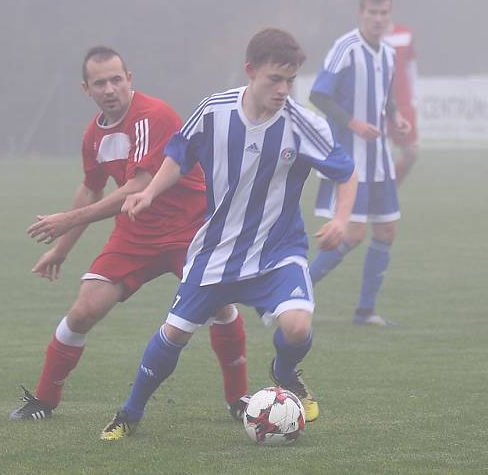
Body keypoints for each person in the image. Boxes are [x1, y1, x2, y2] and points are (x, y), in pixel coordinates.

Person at [99, 28, 357, 441]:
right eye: (275, 78)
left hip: (277, 251)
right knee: (174, 334)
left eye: (291, 80)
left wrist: (342, 218)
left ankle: (285, 372)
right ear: (250, 71)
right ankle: (129, 413)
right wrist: (148, 191)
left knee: (296, 327)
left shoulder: (303, 125)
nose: (284, 89)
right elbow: (179, 155)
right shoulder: (214, 110)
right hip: (216, 251)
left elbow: (346, 172)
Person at [9, 46, 249, 421]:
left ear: (130, 79)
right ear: (85, 88)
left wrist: (68, 220)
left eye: (116, 80)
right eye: (100, 82)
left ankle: (239, 399)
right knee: (84, 310)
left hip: (191, 229)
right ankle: (44, 400)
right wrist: (61, 249)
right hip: (136, 233)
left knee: (219, 304)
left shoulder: (152, 115)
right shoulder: (93, 136)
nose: (110, 89)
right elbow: (91, 189)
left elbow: (137, 186)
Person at [308, 0, 410, 327]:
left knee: (387, 232)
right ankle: (295, 292)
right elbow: (319, 95)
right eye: (372, 12)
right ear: (361, 12)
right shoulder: (346, 47)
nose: (378, 19)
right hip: (349, 157)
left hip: (379, 157)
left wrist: (395, 116)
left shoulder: (390, 52)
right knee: (350, 235)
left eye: (384, 13)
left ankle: (365, 312)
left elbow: (386, 96)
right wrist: (353, 123)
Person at [383, 21, 419, 183]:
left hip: (403, 104)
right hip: (379, 105)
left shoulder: (405, 34)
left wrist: (413, 98)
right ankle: (380, 199)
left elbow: (411, 67)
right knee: (380, 158)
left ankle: (389, 192)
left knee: (411, 153)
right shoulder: (364, 37)